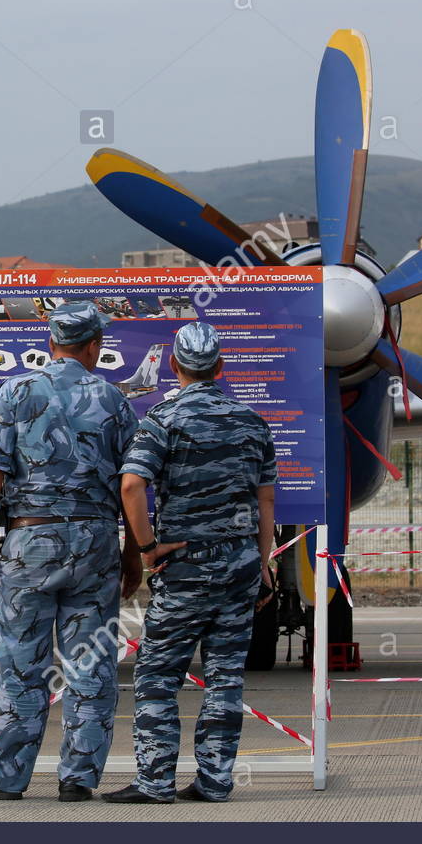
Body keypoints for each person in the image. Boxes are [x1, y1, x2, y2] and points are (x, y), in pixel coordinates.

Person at [0, 300, 141, 802]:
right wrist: (131, 555)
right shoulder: (114, 399)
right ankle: (79, 780)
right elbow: (132, 483)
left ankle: (8, 777)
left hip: (29, 545)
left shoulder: (15, 392)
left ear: (49, 343)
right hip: (96, 545)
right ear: (93, 347)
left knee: (21, 664)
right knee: (91, 665)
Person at [103, 320, 276, 804]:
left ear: (175, 366)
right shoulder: (252, 423)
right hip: (241, 562)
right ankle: (216, 780)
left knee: (158, 673)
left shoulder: (162, 420)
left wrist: (145, 547)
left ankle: (155, 781)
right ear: (220, 366)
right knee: (226, 676)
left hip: (185, 567)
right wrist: (261, 564)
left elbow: (132, 485)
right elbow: (266, 502)